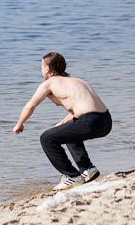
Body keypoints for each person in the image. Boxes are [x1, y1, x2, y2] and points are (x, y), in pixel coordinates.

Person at [13, 52, 112, 191]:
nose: (41, 70)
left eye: (41, 67)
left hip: (90, 121)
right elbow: (80, 110)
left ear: (47, 68)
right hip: (106, 121)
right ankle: (87, 169)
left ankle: (72, 176)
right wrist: (62, 124)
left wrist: (19, 124)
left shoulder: (49, 83)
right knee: (66, 131)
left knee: (46, 138)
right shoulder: (77, 81)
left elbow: (31, 106)